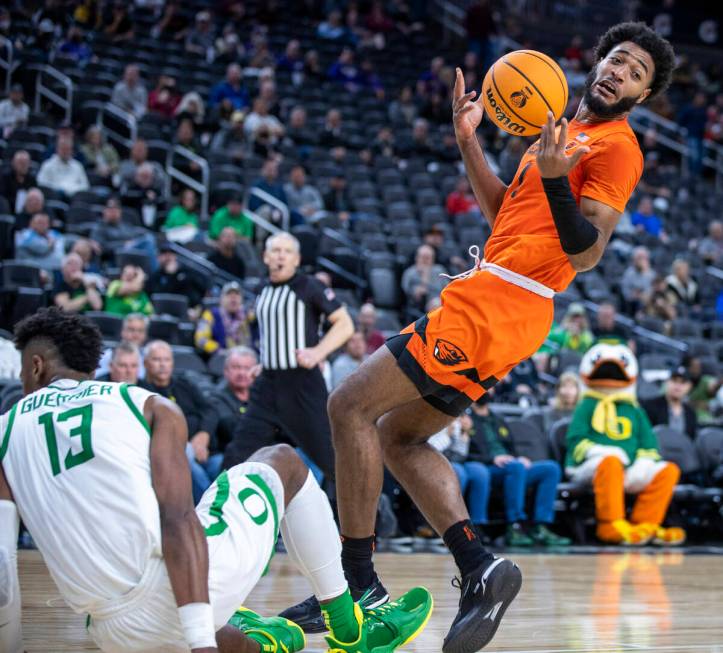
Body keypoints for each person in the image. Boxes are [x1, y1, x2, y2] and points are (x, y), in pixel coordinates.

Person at [283, 20, 676, 651]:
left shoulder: (616, 147)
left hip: (500, 304)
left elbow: (588, 253)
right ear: (598, 59)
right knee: (398, 437)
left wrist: (553, 176)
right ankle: (480, 569)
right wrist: (469, 142)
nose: (619, 74)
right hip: (501, 300)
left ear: (641, 96)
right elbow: (503, 218)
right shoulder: (556, 132)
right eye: (618, 60)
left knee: (348, 404)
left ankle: (354, 585)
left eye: (636, 74)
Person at [0, 308, 431, 653]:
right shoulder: (142, 403)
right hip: (176, 598)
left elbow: (3, 572)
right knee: (283, 460)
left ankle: (250, 637)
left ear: (35, 365)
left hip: (111, 634)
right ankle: (350, 632)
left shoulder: (4, 431)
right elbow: (177, 521)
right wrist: (200, 642)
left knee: (184, 617)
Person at [223, 232, 354, 483]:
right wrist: (267, 361)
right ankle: (218, 517)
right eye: (275, 250)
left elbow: (345, 324)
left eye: (287, 251)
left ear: (296, 259)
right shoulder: (261, 290)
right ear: (265, 256)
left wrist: (317, 352)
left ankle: (372, 520)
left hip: (302, 384)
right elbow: (275, 333)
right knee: (236, 455)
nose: (280, 256)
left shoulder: (309, 286)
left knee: (332, 460)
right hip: (268, 385)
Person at [468, 395, 571, 547]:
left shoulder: (498, 419)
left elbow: (511, 448)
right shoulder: (466, 420)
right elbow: (464, 454)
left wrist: (519, 457)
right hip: (487, 468)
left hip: (511, 466)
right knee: (516, 467)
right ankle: (515, 525)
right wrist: (492, 459)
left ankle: (540, 525)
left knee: (551, 468)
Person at [141, 340, 220, 503]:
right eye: (156, 360)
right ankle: (212, 511)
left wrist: (203, 435)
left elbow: (210, 410)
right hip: (174, 456)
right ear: (145, 363)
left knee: (226, 466)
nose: (162, 365)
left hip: (206, 452)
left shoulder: (184, 383)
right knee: (192, 470)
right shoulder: (141, 392)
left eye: (167, 360)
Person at [209, 346, 257, 451]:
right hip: (226, 454)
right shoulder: (216, 397)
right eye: (236, 367)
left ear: (255, 371)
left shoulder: (262, 395)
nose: (242, 373)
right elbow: (230, 429)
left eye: (247, 368)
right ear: (226, 371)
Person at [195, 282, 253, 356]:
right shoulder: (211, 314)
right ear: (221, 299)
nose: (233, 298)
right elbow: (200, 340)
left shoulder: (248, 316)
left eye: (237, 294)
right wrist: (220, 351)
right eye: (229, 294)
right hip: (221, 359)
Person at [641, 366, 698, 441]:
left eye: (683, 382)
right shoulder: (650, 406)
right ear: (667, 382)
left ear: (689, 386)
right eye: (674, 381)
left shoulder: (691, 413)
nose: (678, 386)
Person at [148, 243, 206, 311]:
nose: (168, 257)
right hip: (166, 312)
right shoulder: (155, 277)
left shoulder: (188, 271)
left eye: (171, 253)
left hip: (192, 310)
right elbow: (158, 297)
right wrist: (171, 275)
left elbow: (202, 287)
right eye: (164, 253)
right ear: (158, 257)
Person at [96, 313, 149, 380]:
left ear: (145, 335)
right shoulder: (108, 355)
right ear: (123, 331)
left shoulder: (148, 357)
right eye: (131, 330)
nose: (136, 335)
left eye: (140, 331)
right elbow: (98, 380)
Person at [400, 244, 448, 316]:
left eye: (428, 258)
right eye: (423, 257)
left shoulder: (439, 270)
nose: (425, 260)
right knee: (437, 304)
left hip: (442, 300)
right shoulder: (410, 273)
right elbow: (415, 295)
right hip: (422, 306)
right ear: (417, 257)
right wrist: (424, 275)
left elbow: (448, 288)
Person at [621, 246, 656, 313]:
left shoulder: (651, 274)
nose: (642, 260)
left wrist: (645, 272)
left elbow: (652, 292)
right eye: (639, 258)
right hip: (633, 305)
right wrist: (636, 295)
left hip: (650, 304)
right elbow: (626, 293)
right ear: (634, 259)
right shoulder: (629, 273)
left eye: (644, 258)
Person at [0, 150, 35, 215]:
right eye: (20, 163)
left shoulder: (32, 179)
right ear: (13, 163)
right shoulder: (5, 178)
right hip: (9, 211)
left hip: (27, 212)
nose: (23, 165)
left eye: (26, 163)